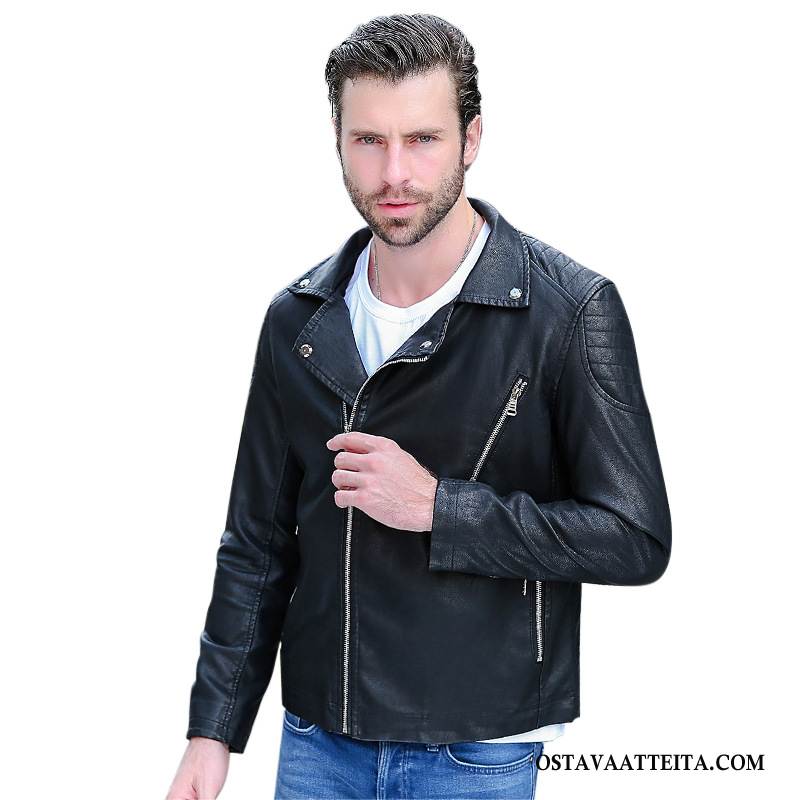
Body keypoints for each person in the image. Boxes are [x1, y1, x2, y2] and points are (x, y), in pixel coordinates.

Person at [166, 13, 671, 800]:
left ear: (472, 139)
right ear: (338, 142)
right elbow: (256, 545)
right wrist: (212, 733)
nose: (394, 173)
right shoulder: (298, 319)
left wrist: (440, 508)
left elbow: (635, 538)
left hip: (477, 752)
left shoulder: (569, 311)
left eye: (423, 139)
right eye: (369, 141)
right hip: (317, 745)